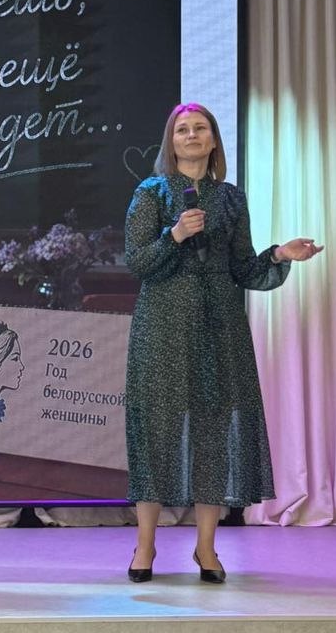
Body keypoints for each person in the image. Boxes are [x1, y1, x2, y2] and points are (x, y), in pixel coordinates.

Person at [124, 103, 323, 584]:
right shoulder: (150, 192)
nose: (192, 135)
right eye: (182, 129)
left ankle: (206, 548)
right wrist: (175, 234)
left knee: (213, 431)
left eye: (201, 128)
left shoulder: (231, 198)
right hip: (163, 324)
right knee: (156, 432)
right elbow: (137, 262)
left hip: (220, 325)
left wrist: (279, 254)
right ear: (171, 142)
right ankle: (145, 545)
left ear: (213, 140)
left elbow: (244, 269)